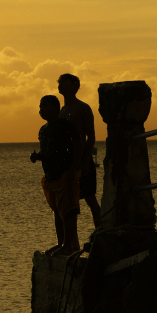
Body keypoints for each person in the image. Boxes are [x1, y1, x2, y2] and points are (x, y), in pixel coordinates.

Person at [30, 95, 82, 255]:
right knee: (58, 211)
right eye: (40, 106)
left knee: (69, 210)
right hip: (50, 175)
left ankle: (70, 244)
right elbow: (47, 151)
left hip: (65, 173)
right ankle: (62, 243)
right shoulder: (43, 130)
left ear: (55, 108)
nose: (41, 109)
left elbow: (78, 146)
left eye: (45, 106)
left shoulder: (65, 126)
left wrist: (74, 168)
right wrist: (37, 156)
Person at [57, 73, 102, 227]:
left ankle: (100, 230)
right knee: (68, 201)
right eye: (59, 82)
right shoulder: (61, 111)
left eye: (65, 82)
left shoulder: (83, 108)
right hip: (66, 161)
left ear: (75, 86)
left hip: (82, 158)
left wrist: (85, 161)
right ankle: (70, 241)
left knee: (90, 198)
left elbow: (91, 136)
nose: (61, 84)